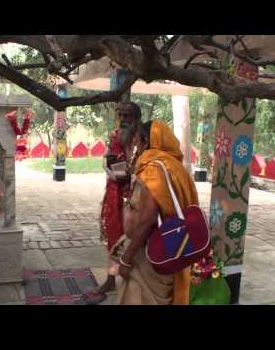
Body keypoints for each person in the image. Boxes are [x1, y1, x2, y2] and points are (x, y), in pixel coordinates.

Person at [116, 119, 199, 305]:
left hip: (150, 254)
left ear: (146, 142)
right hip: (174, 246)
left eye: (137, 143)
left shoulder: (154, 170)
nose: (136, 148)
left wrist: (127, 258)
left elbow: (147, 220)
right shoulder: (177, 168)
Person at [83, 102, 142, 304]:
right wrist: (112, 174)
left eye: (128, 116)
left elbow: (144, 166)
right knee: (112, 237)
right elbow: (106, 160)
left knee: (134, 237)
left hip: (135, 194)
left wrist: (131, 176)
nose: (124, 119)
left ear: (137, 118)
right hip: (114, 192)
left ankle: (134, 282)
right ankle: (110, 280)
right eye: (122, 115)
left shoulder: (143, 139)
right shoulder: (115, 135)